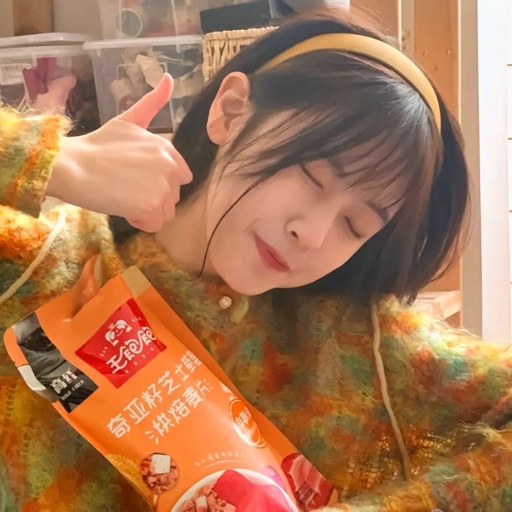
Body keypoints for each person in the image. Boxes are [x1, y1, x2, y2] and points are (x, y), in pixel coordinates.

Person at [1, 8, 511, 512]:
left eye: (355, 225)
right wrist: (56, 161)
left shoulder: (357, 343)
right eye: (310, 174)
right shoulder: (40, 267)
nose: (312, 235)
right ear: (230, 111)